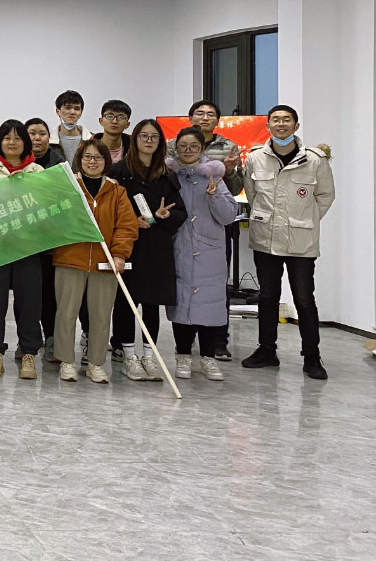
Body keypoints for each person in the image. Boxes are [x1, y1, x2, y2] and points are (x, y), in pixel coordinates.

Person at [241, 105, 335, 380]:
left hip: (301, 241)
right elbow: (252, 194)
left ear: (296, 125)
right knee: (267, 297)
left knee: (304, 299)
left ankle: (312, 357)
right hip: (266, 239)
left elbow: (325, 196)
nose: (281, 124)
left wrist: (305, 219)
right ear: (268, 125)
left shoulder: (314, 160)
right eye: (275, 120)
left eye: (286, 120)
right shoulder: (255, 158)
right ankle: (266, 351)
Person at [51, 139, 139, 384]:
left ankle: (96, 363)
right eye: (87, 157)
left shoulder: (116, 191)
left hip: (105, 263)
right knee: (66, 312)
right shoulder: (68, 187)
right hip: (70, 260)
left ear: (106, 161)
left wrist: (119, 254)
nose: (92, 162)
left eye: (98, 157)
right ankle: (66, 361)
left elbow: (126, 227)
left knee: (101, 315)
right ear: (79, 160)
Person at [109, 119, 186, 382]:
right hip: (128, 246)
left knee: (152, 304)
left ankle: (149, 356)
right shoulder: (119, 171)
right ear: (135, 139)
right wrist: (131, 220)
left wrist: (165, 215)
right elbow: (108, 210)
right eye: (144, 136)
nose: (149, 141)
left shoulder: (166, 173)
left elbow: (180, 211)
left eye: (154, 137)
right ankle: (129, 355)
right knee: (126, 302)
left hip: (157, 246)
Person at [172, 99, 245, 361]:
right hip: (182, 236)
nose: (205, 117)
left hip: (211, 234)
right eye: (199, 113)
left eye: (210, 114)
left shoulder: (228, 147)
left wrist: (229, 171)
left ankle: (217, 344)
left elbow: (234, 193)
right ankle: (184, 346)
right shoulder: (171, 153)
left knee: (214, 289)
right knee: (182, 290)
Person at [0, 120, 45, 381]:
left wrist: (24, 187)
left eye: (17, 138)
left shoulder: (38, 171)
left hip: (28, 246)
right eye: (7, 137)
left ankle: (28, 353)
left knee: (29, 303)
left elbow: (44, 208)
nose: (12, 142)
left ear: (25, 142)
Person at [54, 89, 93, 163]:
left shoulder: (92, 139)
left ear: (81, 113)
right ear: (58, 111)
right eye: (67, 108)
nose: (72, 112)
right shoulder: (48, 140)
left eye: (77, 109)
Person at [93, 99, 132, 164]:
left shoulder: (134, 148)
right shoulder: (87, 147)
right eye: (110, 116)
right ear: (101, 121)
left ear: (127, 124)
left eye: (121, 117)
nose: (114, 121)